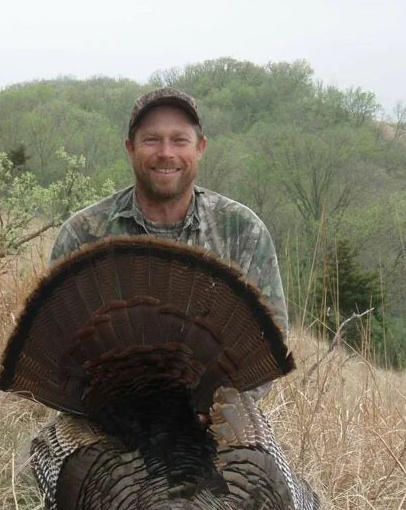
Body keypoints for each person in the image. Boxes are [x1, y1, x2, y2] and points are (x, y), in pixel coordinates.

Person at [50, 87, 289, 338]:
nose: (166, 153)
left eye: (180, 140)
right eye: (151, 139)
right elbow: (56, 344)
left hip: (217, 380)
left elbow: (269, 341)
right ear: (131, 148)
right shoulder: (82, 235)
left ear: (200, 148)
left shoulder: (243, 232)